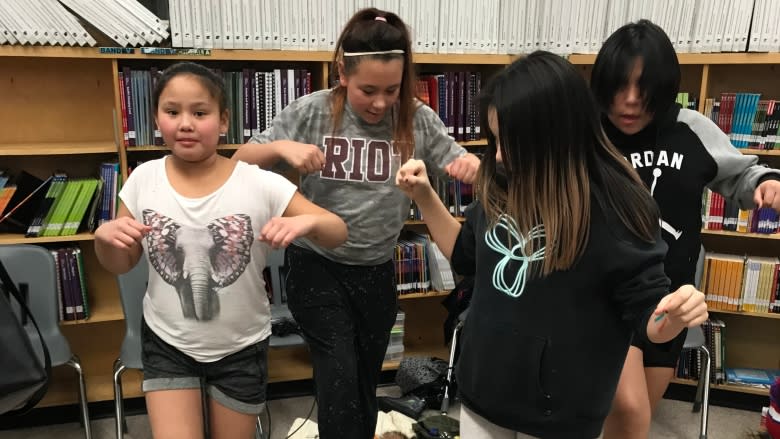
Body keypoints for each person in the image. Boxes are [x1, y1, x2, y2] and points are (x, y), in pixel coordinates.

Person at [396, 51, 709, 438]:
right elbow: (465, 254)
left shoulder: (617, 208)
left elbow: (648, 319)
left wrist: (673, 318)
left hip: (559, 414)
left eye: (511, 141)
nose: (498, 155)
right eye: (496, 138)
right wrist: (425, 195)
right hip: (483, 393)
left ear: (556, 135)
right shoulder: (502, 182)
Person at [232, 7, 480, 438]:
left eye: (392, 90)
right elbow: (237, 162)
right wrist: (284, 149)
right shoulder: (312, 112)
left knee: (364, 380)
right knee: (339, 377)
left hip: (376, 272)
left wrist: (471, 166)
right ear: (342, 73)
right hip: (316, 266)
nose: (381, 103)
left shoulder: (415, 117)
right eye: (368, 90)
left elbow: (457, 157)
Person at [94, 61, 347, 439]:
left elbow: (338, 231)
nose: (185, 123)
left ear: (223, 120)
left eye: (200, 112)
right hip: (168, 343)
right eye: (172, 111)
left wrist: (307, 223)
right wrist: (104, 238)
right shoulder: (143, 178)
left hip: (241, 347)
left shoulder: (260, 183)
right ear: (156, 118)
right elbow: (121, 261)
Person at [591, 20, 780, 438]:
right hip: (602, 302)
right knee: (627, 411)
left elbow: (741, 173)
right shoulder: (586, 133)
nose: (630, 101)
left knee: (629, 423)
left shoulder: (691, 127)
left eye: (645, 90)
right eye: (620, 87)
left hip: (670, 304)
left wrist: (766, 183)